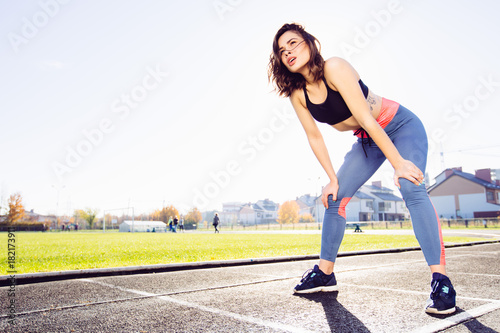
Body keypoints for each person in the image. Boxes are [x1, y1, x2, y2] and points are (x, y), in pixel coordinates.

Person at [268, 23, 456, 315]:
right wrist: (331, 179)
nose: (288, 51)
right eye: (282, 50)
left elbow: (368, 119)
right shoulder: (298, 94)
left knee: (410, 185)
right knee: (335, 198)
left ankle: (441, 282)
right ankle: (325, 273)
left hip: (399, 126)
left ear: (309, 42)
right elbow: (314, 136)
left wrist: (399, 163)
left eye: (293, 43)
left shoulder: (335, 67)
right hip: (367, 140)